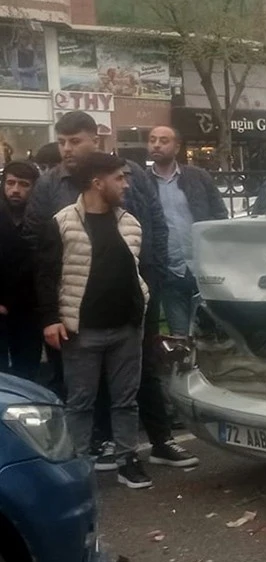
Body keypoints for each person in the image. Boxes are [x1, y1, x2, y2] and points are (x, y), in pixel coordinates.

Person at [25, 111, 193, 472]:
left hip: (133, 299)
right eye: (63, 141)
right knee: (82, 389)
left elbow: (154, 227)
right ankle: (91, 450)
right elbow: (38, 248)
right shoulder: (51, 185)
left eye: (76, 141)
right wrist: (51, 313)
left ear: (95, 139)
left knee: (139, 376)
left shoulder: (130, 174)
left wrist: (152, 281)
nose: (67, 149)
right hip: (77, 309)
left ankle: (159, 441)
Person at [34, 153, 152, 489]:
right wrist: (50, 319)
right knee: (81, 403)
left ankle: (128, 461)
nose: (126, 184)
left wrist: (143, 304)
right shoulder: (62, 223)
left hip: (127, 328)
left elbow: (139, 269)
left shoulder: (130, 222)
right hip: (81, 331)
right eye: (119, 178)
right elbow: (46, 276)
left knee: (126, 401)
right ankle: (78, 468)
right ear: (98, 182)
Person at [148, 125, 228, 337]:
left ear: (176, 147)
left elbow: (220, 217)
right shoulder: (142, 182)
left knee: (214, 334)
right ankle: (185, 370)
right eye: (152, 139)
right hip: (170, 272)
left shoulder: (198, 177)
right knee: (180, 337)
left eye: (164, 141)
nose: (156, 144)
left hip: (204, 270)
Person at [0, 161, 42, 381]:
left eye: (24, 184)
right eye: (10, 183)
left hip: (29, 308)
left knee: (27, 372)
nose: (15, 190)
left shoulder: (41, 219)